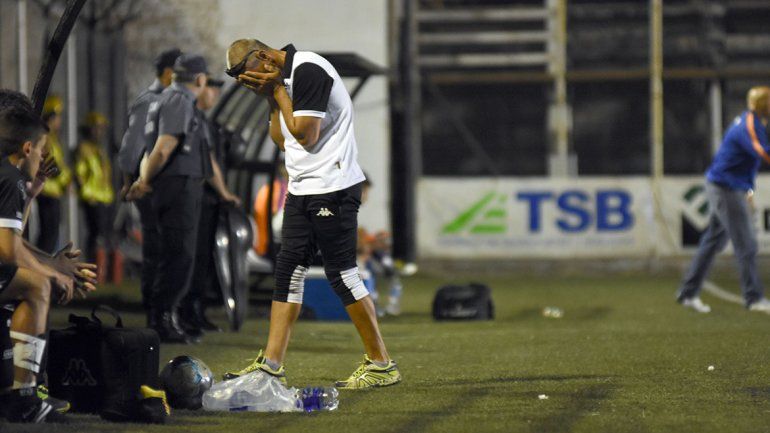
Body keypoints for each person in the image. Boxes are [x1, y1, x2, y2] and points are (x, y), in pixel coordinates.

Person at [222, 39, 400, 389]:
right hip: (303, 189)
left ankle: (381, 364)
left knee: (341, 273)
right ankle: (271, 364)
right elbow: (282, 139)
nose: (248, 82)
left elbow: (306, 135)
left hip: (332, 188)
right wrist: (272, 97)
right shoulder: (282, 84)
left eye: (247, 75)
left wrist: (277, 90)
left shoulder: (308, 69)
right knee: (288, 271)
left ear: (262, 55)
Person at [126, 54, 236, 343]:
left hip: (179, 186)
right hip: (177, 187)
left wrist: (142, 179)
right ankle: (162, 318)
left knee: (179, 254)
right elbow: (162, 148)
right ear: (199, 79)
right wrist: (144, 181)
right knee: (179, 255)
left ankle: (166, 316)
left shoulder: (172, 100)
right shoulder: (179, 102)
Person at [0, 105, 97, 423]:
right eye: (41, 151)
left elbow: (11, 239)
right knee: (37, 286)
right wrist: (53, 274)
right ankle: (25, 397)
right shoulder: (10, 178)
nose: (43, 158)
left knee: (32, 281)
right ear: (27, 149)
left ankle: (19, 389)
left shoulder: (9, 177)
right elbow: (9, 251)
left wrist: (31, 195)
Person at [677, 86, 770, 314]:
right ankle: (753, 298)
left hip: (729, 187)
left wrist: (748, 191)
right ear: (762, 104)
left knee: (712, 242)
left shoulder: (756, 123)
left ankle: (688, 292)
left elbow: (746, 163)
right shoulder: (749, 125)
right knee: (746, 243)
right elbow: (763, 153)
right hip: (725, 188)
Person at [117, 48, 182, 327]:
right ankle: (154, 309)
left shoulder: (171, 100)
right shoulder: (150, 101)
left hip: (163, 184)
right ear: (169, 72)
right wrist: (130, 183)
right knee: (156, 245)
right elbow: (132, 146)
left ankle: (163, 307)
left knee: (168, 246)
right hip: (150, 185)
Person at [182, 77, 241, 336]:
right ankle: (187, 313)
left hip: (204, 199)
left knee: (202, 258)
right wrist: (225, 192)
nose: (215, 95)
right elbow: (207, 161)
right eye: (212, 89)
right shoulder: (193, 118)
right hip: (199, 198)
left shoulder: (202, 120)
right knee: (193, 257)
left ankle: (196, 311)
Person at [75, 112, 114, 282]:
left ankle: (102, 273)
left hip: (104, 198)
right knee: (94, 234)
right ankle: (91, 271)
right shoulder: (83, 149)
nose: (100, 132)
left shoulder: (99, 149)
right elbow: (80, 173)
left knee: (103, 234)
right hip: (92, 198)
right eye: (97, 128)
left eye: (101, 129)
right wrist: (86, 194)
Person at [357, 177, 403, 316]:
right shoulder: (344, 208)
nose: (367, 196)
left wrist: (372, 242)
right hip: (343, 260)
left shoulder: (353, 210)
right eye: (365, 191)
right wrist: (368, 243)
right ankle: (373, 304)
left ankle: (388, 304)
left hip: (361, 257)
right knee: (366, 271)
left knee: (389, 268)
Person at [35, 96, 72, 254]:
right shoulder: (47, 139)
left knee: (51, 234)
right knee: (48, 236)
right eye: (58, 116)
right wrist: (67, 180)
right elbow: (53, 166)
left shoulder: (52, 138)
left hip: (53, 192)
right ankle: (41, 269)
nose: (60, 120)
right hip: (47, 191)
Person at [253, 164, 288, 256]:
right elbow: (276, 225)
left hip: (263, 243)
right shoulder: (279, 190)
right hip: (268, 245)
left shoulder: (270, 188)